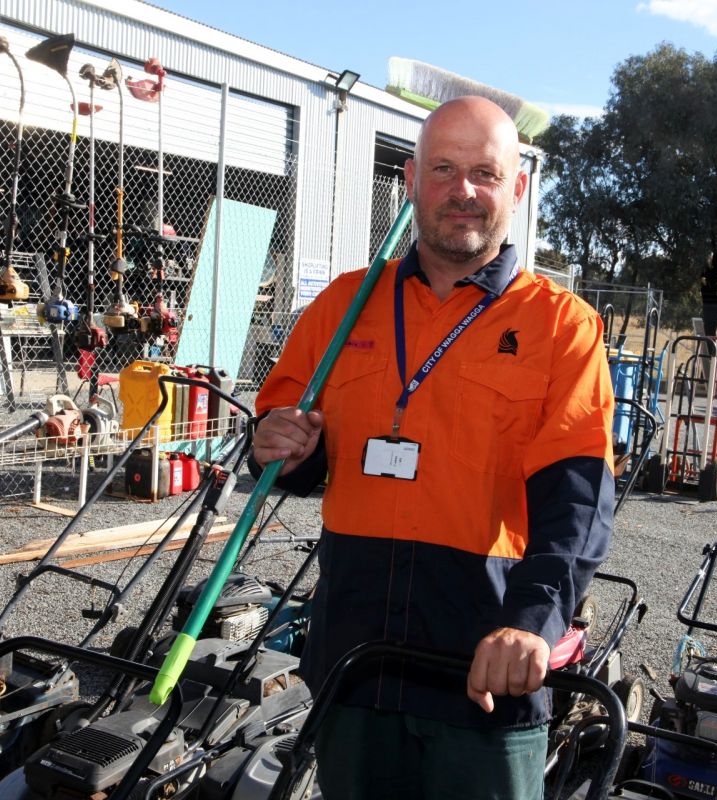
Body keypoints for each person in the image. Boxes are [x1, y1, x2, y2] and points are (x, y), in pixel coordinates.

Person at [252, 95, 614, 799]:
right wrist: (279, 446)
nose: (464, 191)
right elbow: (286, 439)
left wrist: (532, 624)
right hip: (354, 664)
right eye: (444, 168)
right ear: (412, 179)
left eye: (484, 171)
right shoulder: (344, 305)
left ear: (516, 187)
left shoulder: (560, 327)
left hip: (484, 675)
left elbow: (578, 501)